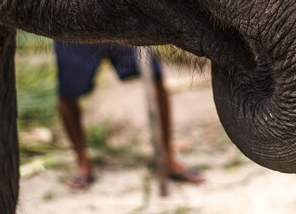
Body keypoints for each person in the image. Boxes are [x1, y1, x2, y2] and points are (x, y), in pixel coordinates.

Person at [54, 41, 205, 189]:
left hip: (120, 21)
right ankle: (82, 161)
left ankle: (167, 157)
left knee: (155, 76)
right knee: (67, 91)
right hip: (77, 26)